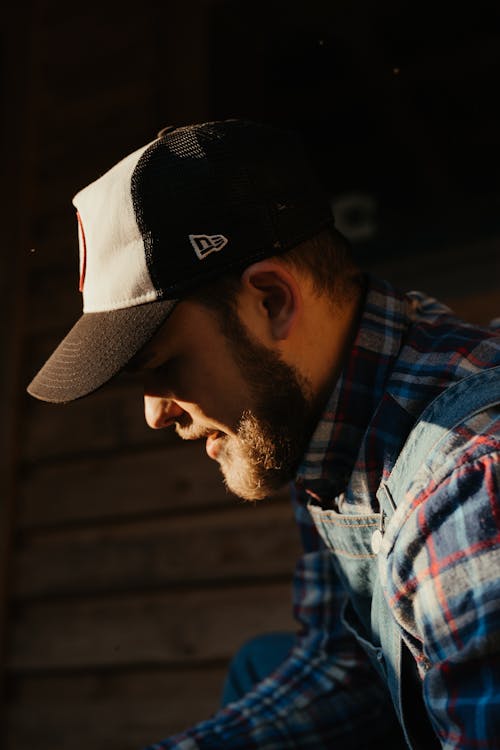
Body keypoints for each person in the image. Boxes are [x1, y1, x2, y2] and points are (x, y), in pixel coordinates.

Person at [28, 120, 500, 749]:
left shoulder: (468, 481)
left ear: (272, 301)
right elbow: (349, 667)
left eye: (165, 365)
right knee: (264, 659)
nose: (153, 414)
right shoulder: (320, 421)